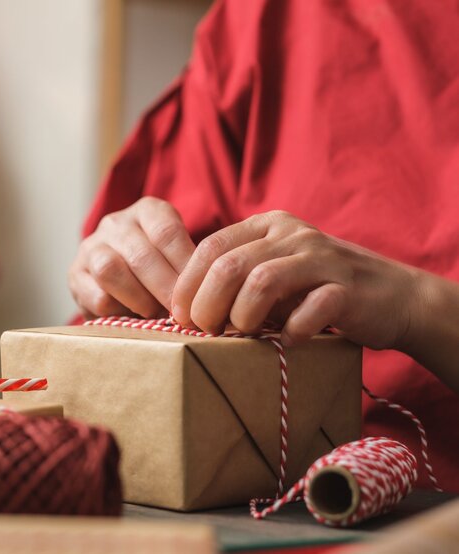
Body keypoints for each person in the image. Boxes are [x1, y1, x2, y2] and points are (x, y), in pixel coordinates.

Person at [69, 0, 459, 492]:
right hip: (252, 491)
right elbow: (149, 294)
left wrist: (416, 307)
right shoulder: (264, 20)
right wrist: (117, 267)